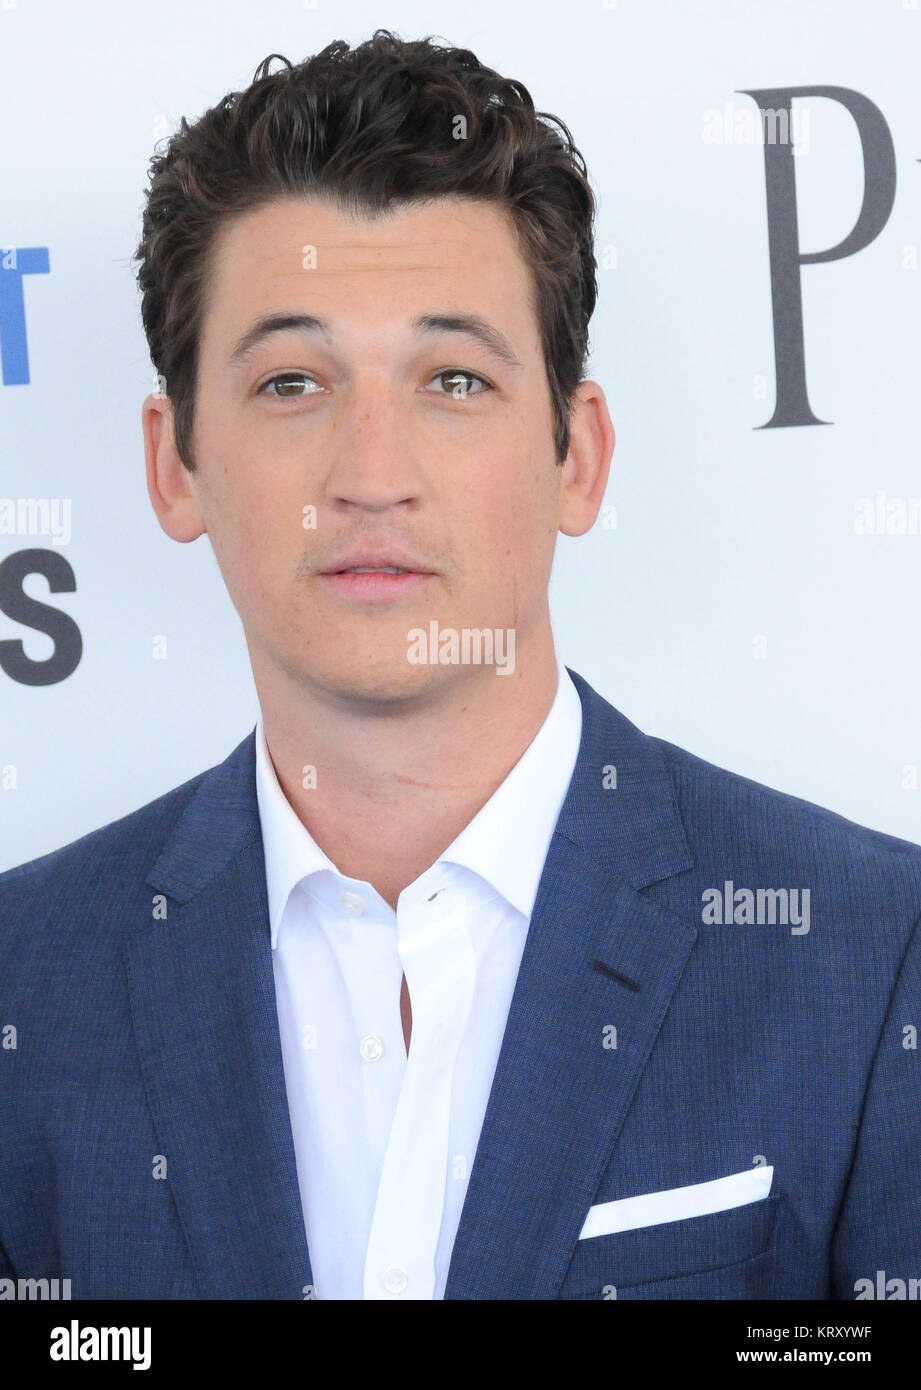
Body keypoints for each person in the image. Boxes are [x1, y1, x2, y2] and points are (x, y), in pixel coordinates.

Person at [1, 31, 919, 1302]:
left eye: (452, 377)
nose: (372, 473)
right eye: (290, 382)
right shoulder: (22, 980)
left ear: (576, 456)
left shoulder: (873, 955)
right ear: (176, 465)